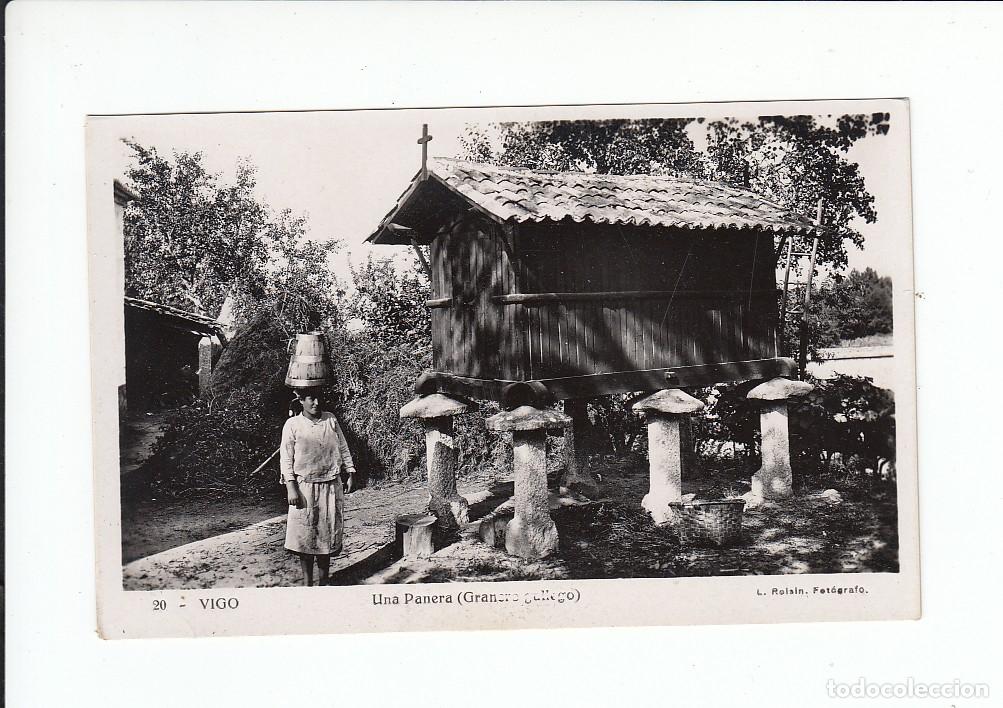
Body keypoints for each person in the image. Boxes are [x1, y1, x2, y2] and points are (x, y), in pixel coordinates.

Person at [279, 387, 355, 586]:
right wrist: (291, 487)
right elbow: (286, 458)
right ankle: (307, 582)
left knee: (326, 534)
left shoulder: (330, 419)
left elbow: (343, 446)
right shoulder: (293, 424)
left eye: (319, 398)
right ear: (301, 400)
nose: (316, 403)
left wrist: (350, 471)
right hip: (305, 487)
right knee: (306, 535)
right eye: (311, 399)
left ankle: (323, 580)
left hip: (331, 486)